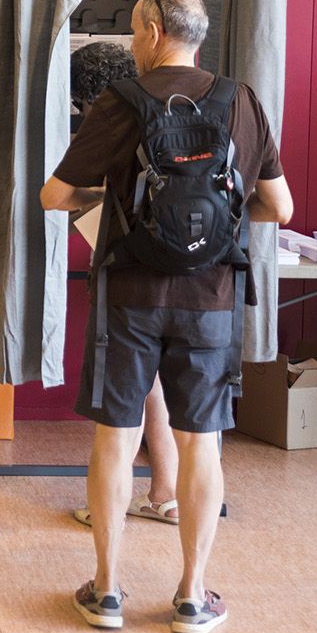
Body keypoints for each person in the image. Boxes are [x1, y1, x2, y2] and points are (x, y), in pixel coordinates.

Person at [40, 0, 293, 633]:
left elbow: (53, 194)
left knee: (115, 437)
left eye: (133, 30)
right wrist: (222, 226)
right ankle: (191, 596)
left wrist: (118, 213)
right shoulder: (242, 101)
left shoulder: (120, 102)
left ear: (152, 31)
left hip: (130, 294)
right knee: (201, 441)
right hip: (211, 298)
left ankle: (105, 592)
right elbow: (280, 208)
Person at [66, 42, 180, 529]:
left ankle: (108, 504)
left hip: (129, 277)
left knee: (123, 400)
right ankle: (166, 496)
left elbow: (62, 193)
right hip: (187, 275)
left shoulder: (109, 119)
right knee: (156, 390)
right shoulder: (169, 114)